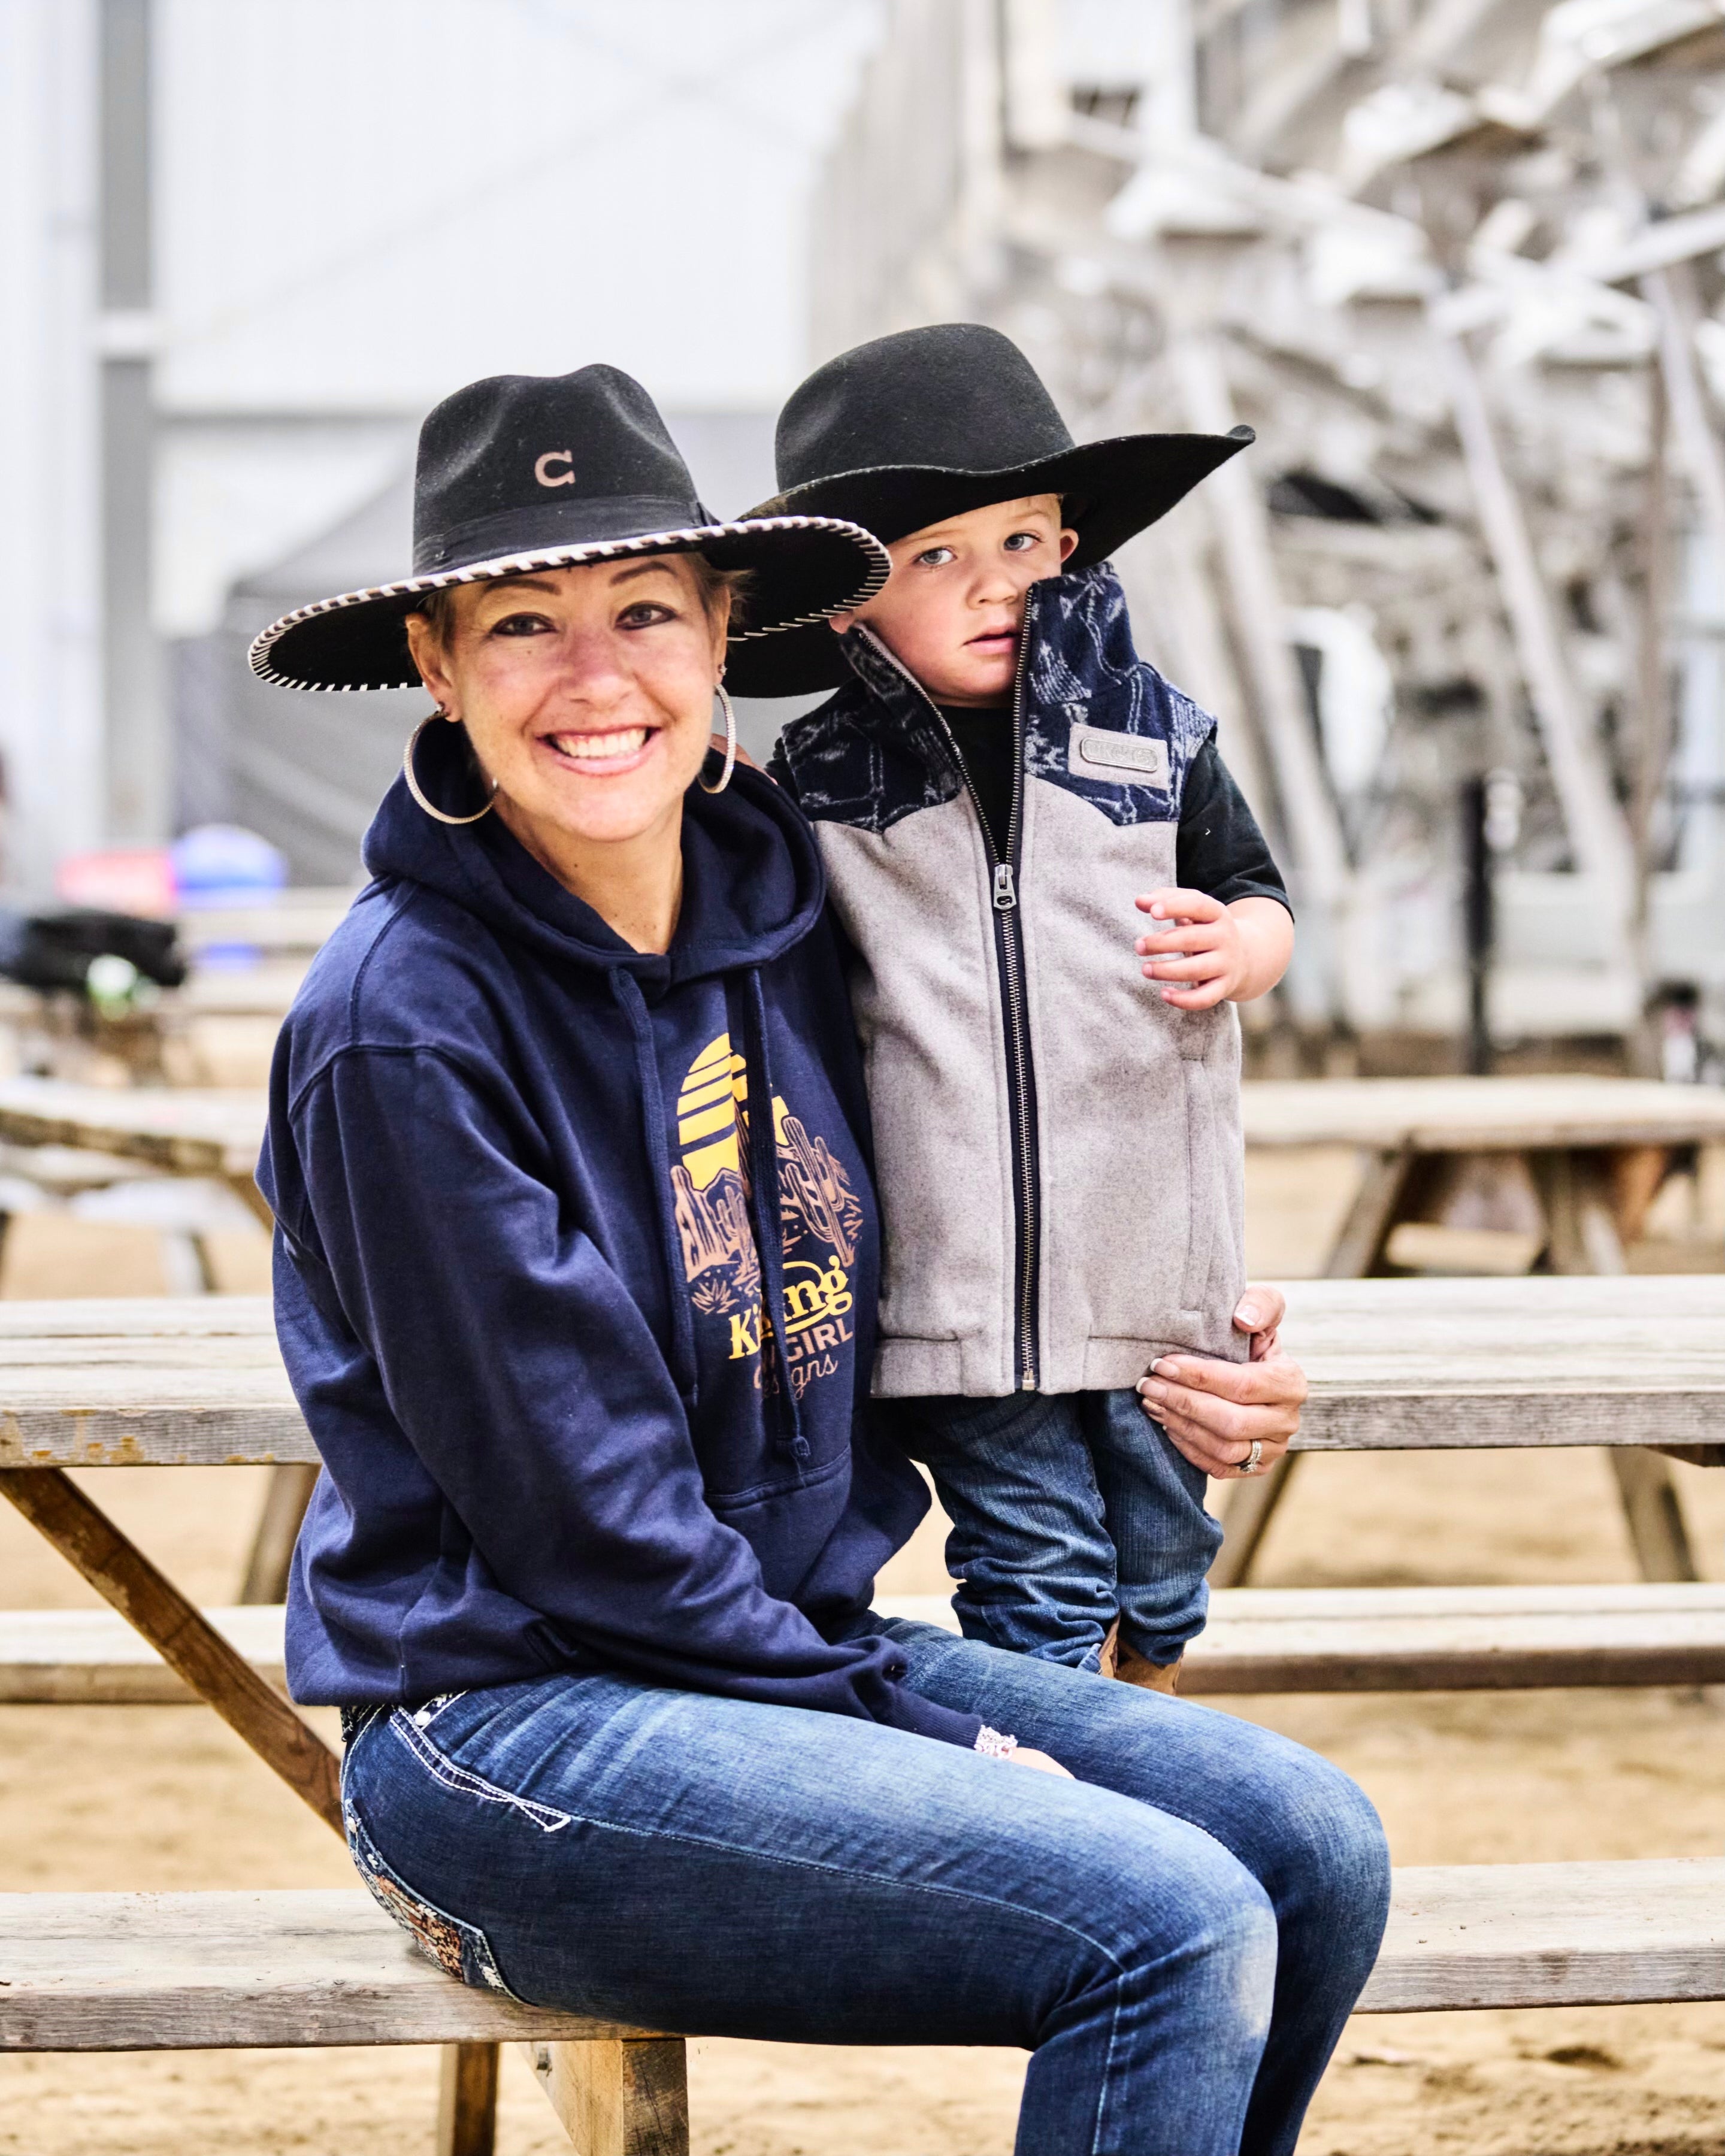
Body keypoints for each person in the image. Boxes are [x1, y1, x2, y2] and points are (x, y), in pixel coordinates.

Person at [251, 362, 1387, 2156]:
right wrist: (905, 1730)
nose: (596, 675)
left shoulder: (781, 910)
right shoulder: (403, 1030)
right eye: (523, 624)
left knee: (1311, 1850)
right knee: (1169, 1921)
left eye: (643, 612)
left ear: (722, 639)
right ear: (437, 663)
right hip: (513, 1727)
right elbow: (582, 1522)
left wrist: (1172, 1337)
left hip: (775, 1646)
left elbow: (977, 1174)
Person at [731, 323, 1291, 1693]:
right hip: (955, 1295)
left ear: (1075, 550)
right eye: (937, 557)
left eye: (1025, 543)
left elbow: (1256, 889)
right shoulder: (816, 787)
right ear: (848, 605)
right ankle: (1069, 1778)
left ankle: (1141, 1690)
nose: (996, 587)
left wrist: (1249, 947)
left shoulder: (1159, 739)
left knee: (1163, 1561)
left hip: (1152, 1264)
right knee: (1035, 1573)